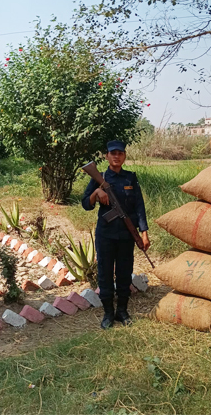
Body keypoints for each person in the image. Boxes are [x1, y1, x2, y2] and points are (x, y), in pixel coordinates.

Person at [81, 140, 150, 329]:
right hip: (106, 235)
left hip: (127, 235)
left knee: (124, 273)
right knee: (104, 273)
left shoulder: (130, 178)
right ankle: (108, 313)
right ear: (107, 156)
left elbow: (139, 207)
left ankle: (122, 311)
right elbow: (86, 204)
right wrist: (97, 192)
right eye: (113, 153)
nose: (116, 156)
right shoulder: (99, 177)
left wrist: (143, 233)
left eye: (120, 153)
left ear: (124, 156)